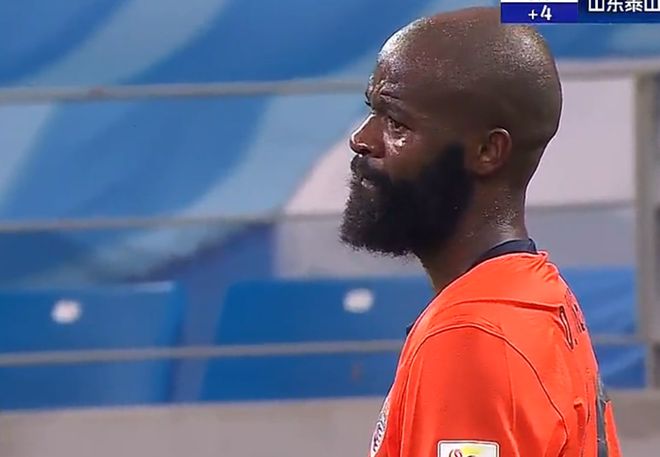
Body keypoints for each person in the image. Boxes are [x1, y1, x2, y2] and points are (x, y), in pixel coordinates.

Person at [339, 7, 621, 457]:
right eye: (373, 111)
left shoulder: (472, 337)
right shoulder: (538, 295)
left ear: (488, 151)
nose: (361, 138)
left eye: (396, 123)